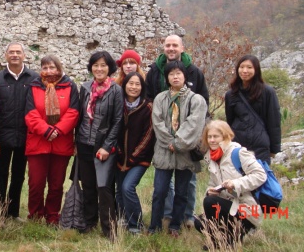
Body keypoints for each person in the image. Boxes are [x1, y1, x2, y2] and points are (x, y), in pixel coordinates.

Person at [145, 34, 210, 227]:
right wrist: (169, 142)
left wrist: (179, 142)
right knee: (160, 190)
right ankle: (156, 224)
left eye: (175, 45)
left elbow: (195, 121)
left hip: (185, 150)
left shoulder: (195, 94)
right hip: (164, 149)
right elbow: (157, 120)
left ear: (182, 48)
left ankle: (179, 222)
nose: (171, 48)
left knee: (184, 190)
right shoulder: (159, 95)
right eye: (168, 45)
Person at [24, 55, 80, 225]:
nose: (49, 71)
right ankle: (35, 214)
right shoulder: (33, 87)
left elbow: (73, 112)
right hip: (38, 143)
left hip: (61, 143)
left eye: (52, 67)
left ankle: (52, 215)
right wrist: (46, 130)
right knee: (36, 183)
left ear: (59, 68)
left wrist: (58, 129)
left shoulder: (70, 87)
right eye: (45, 67)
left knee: (56, 184)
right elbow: (30, 113)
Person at [195, 120, 266, 249]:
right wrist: (210, 190)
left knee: (209, 202)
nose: (212, 140)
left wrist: (235, 184)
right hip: (228, 207)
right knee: (198, 222)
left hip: (246, 209)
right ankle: (226, 239)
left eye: (216, 136)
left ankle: (222, 242)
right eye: (209, 137)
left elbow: (260, 175)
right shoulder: (211, 158)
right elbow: (212, 183)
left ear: (226, 136)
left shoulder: (238, 152)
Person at [75, 51, 123, 239]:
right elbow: (80, 115)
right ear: (91, 67)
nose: (99, 69)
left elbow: (118, 120)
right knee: (87, 185)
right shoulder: (85, 88)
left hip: (104, 146)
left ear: (110, 68)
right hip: (84, 142)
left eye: (103, 65)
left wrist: (106, 146)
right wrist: (76, 141)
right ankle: (89, 221)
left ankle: (109, 227)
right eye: (96, 65)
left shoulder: (116, 90)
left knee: (104, 187)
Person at [0, 43, 39, 221]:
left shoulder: (34, 78)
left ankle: (13, 212)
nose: (15, 55)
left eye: (18, 52)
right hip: (2, 137)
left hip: (25, 136)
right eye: (12, 52)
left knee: (18, 175)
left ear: (24, 55)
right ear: (5, 55)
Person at [115, 72, 154, 234]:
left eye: (137, 84)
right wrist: (116, 150)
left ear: (142, 87)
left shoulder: (147, 107)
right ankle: (123, 218)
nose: (134, 87)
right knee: (119, 189)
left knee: (127, 187)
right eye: (130, 83)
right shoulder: (118, 104)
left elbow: (148, 134)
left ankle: (136, 224)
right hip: (118, 156)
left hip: (139, 159)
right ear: (124, 85)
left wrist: (133, 156)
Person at [225, 54, 281, 165]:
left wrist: (274, 148)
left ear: (256, 70)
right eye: (242, 67)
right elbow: (230, 122)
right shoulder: (231, 94)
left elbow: (274, 121)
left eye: (249, 67)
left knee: (259, 178)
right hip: (238, 145)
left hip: (260, 145)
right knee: (239, 179)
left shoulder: (267, 92)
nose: (245, 71)